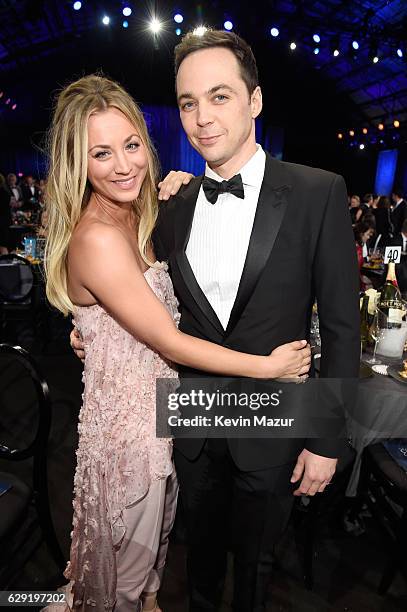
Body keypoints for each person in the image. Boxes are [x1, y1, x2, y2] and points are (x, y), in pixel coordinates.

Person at [73, 30, 359, 611]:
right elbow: (117, 286)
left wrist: (327, 441)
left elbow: (341, 327)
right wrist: (89, 336)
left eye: (220, 96)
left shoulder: (317, 192)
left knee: (255, 570)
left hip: (274, 425)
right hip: (190, 428)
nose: (202, 118)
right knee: (193, 566)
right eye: (187, 103)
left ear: (254, 101)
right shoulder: (169, 203)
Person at [354, 220, 375, 291]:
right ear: (361, 234)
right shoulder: (357, 249)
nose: (369, 237)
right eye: (368, 234)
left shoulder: (357, 246)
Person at [0, 173, 11, 254]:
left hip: (2, 222)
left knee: (3, 246)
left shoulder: (4, 193)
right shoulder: (6, 192)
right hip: (4, 222)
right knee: (3, 246)